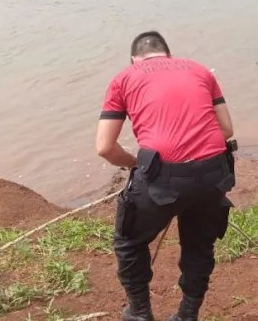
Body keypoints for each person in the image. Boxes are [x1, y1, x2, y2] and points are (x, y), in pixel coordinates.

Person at [95, 31, 236, 321]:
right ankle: (187, 314)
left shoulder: (124, 77)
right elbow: (226, 130)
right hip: (213, 173)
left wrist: (138, 164)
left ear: (134, 59)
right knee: (200, 243)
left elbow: (105, 148)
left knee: (129, 242)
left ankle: (139, 313)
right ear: (168, 55)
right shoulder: (199, 70)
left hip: (163, 179)